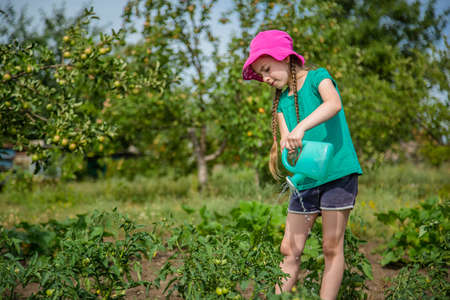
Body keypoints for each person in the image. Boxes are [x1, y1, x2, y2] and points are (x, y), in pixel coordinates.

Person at [241, 30, 363, 300]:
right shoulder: (282, 103)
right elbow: (288, 140)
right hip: (306, 180)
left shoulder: (318, 77)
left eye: (267, 69)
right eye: (261, 75)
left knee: (332, 247)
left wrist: (302, 127)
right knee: (289, 249)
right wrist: (287, 143)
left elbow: (333, 104)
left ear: (284, 58)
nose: (265, 78)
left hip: (336, 174)